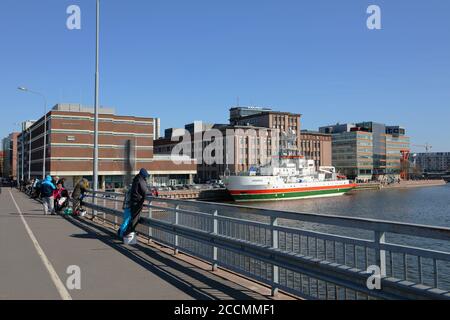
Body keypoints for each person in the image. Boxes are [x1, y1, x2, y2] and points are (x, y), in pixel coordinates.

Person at [120, 168, 149, 238]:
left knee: (127, 220)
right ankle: (122, 235)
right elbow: (144, 192)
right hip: (130, 205)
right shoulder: (139, 181)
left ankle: (123, 233)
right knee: (127, 221)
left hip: (129, 205)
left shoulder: (135, 182)